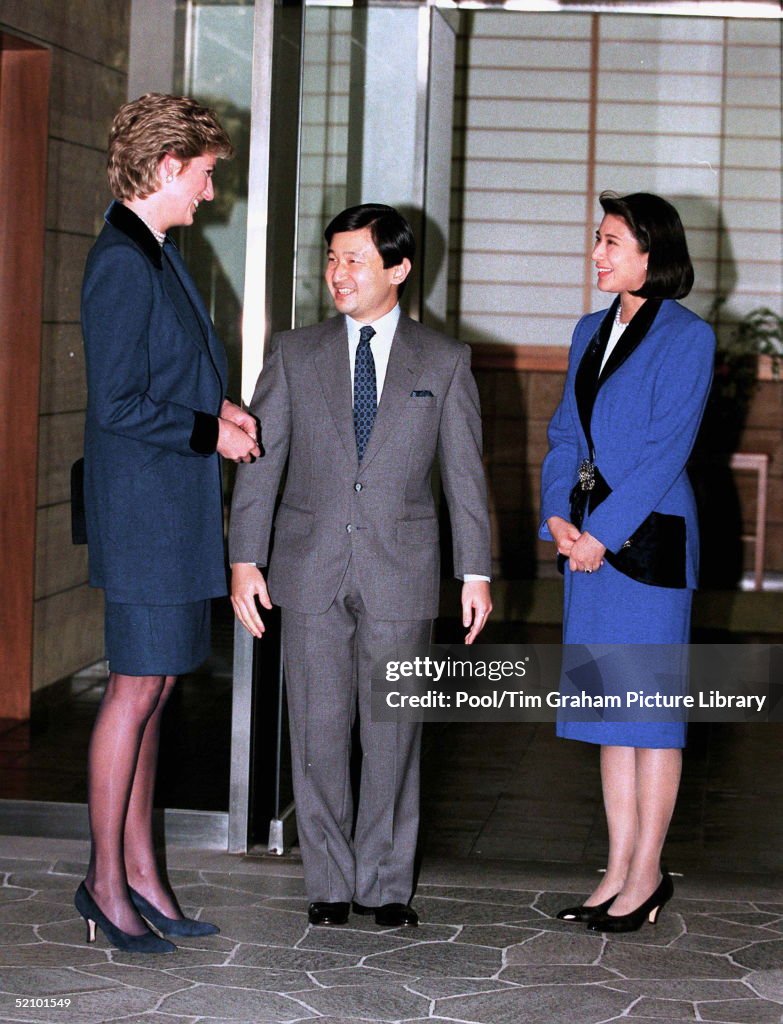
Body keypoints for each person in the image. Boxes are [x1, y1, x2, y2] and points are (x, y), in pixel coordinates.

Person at [230, 204, 492, 928]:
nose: (337, 274)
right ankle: (328, 882)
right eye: (332, 258)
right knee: (315, 733)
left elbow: (465, 475)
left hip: (400, 572)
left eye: (354, 260)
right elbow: (260, 463)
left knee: (392, 735)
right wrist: (244, 558)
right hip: (307, 570)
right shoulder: (292, 353)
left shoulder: (442, 362)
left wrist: (476, 574)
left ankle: (383, 884)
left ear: (398, 270)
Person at [76, 93, 260, 953]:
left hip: (172, 507)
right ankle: (104, 883)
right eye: (206, 174)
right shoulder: (121, 258)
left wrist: (216, 405)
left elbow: (163, 369)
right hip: (146, 511)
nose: (211, 193)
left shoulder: (152, 249)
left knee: (158, 689)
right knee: (134, 690)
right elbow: (114, 401)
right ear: (166, 168)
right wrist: (206, 432)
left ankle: (143, 873)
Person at [540, 191, 715, 933]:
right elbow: (560, 436)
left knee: (650, 719)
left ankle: (645, 876)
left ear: (652, 256)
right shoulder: (587, 329)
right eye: (598, 239)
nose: (597, 254)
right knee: (610, 716)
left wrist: (600, 535)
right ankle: (614, 869)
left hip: (642, 547)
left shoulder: (687, 337)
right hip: (584, 545)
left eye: (611, 242)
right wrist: (557, 517)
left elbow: (662, 455)